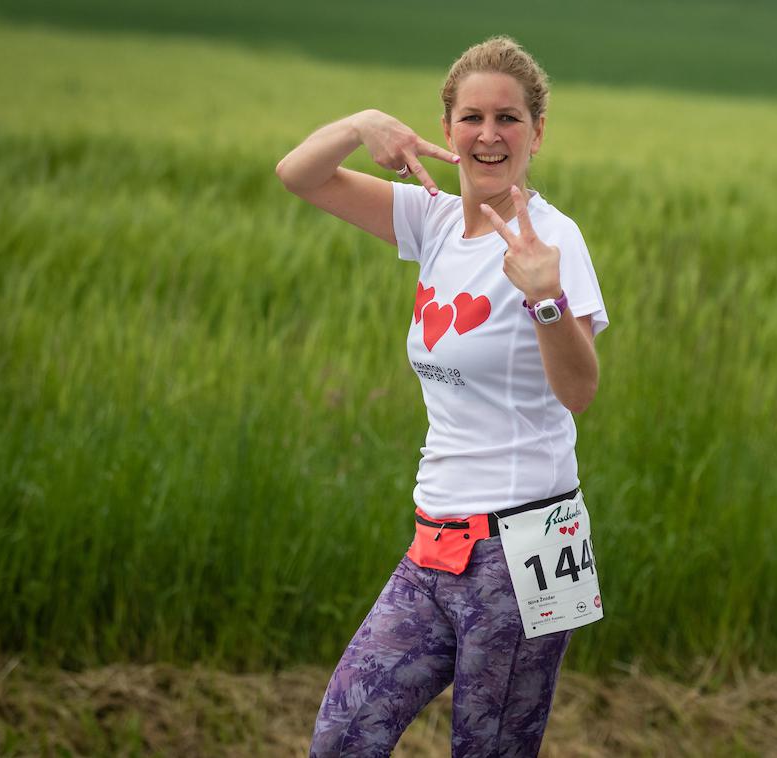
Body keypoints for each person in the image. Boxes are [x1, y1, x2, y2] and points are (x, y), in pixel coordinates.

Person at [276, 36, 608, 757]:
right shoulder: (428, 218)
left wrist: (545, 298)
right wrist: (361, 122)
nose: (490, 135)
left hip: (525, 547)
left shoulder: (552, 239)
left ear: (538, 132)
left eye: (510, 119)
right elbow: (299, 174)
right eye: (472, 117)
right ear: (448, 129)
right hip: (433, 545)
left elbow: (579, 391)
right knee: (342, 738)